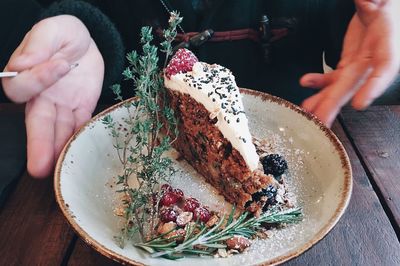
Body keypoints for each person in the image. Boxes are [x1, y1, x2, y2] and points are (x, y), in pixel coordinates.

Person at [1, 0, 400, 179]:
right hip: (107, 140)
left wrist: (383, 34)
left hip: (313, 135)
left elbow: (370, 34)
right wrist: (73, 25)